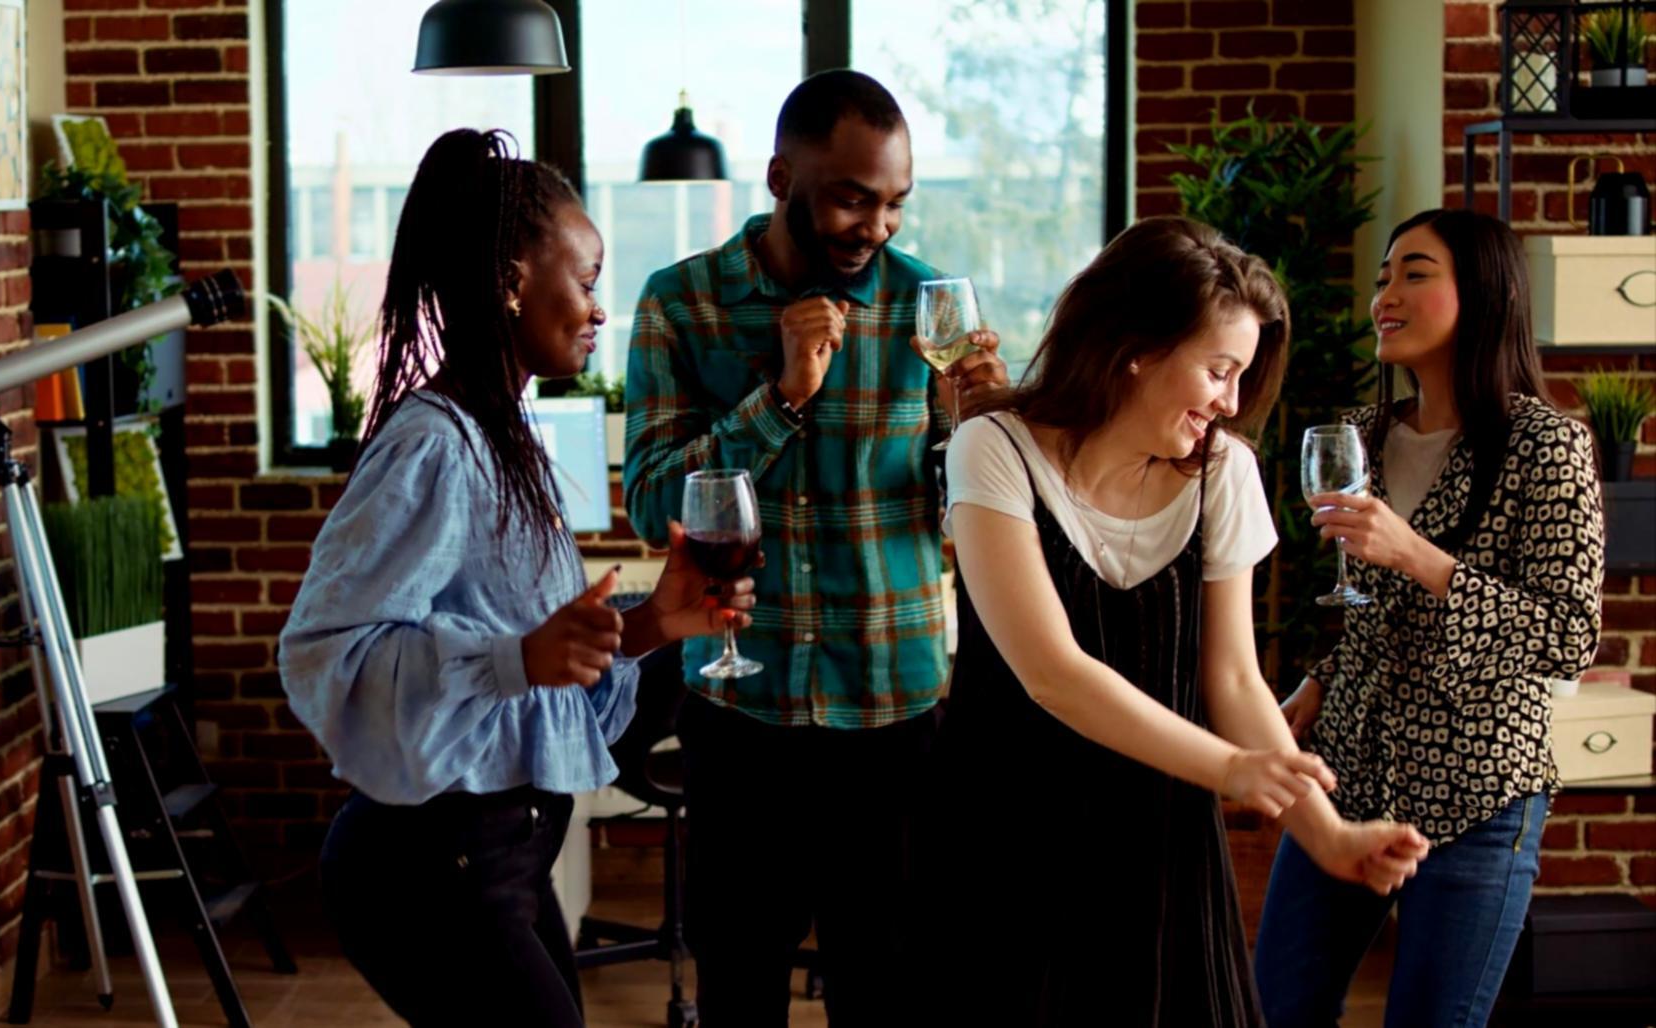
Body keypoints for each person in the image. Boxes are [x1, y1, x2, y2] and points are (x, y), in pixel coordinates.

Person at [278, 129, 754, 1027]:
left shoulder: (506, 435)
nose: (598, 308)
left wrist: (657, 623)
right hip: (427, 865)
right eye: (586, 281)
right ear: (510, 282)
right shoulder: (434, 445)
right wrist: (512, 658)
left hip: (505, 855)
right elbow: (324, 654)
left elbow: (548, 685)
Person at [923, 216, 1431, 1025]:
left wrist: (1329, 835)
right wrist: (1230, 770)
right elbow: (1052, 673)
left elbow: (1231, 679)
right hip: (1007, 839)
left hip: (1163, 846)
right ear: (1137, 347)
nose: (1231, 402)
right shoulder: (993, 448)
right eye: (1219, 370)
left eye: (1241, 375)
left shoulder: (1224, 471)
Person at [621, 70, 1008, 1024]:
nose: (876, 227)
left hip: (896, 711)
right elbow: (651, 504)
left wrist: (984, 437)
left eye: (894, 205)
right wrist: (782, 398)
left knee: (888, 992)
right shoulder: (684, 303)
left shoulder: (931, 307)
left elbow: (966, 519)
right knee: (739, 990)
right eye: (851, 197)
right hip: (741, 708)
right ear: (778, 175)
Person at [1257, 208, 1605, 1027]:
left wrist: (1419, 555)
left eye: (1414, 273)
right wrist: (1323, 675)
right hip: (1348, 776)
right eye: (1383, 278)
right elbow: (1377, 615)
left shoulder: (1545, 447)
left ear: (1484, 294)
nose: (1386, 294)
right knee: (1274, 1007)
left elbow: (1568, 636)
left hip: (1479, 796)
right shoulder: (1368, 435)